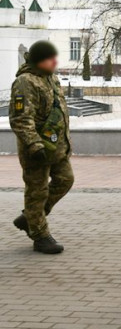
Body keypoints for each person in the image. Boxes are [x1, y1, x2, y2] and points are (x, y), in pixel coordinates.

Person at [10, 40, 74, 254]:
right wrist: (34, 145)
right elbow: (20, 118)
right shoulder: (24, 82)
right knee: (37, 191)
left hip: (57, 147)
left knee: (65, 180)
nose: (55, 61)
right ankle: (40, 235)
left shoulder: (52, 79)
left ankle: (31, 217)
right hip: (35, 149)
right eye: (50, 58)